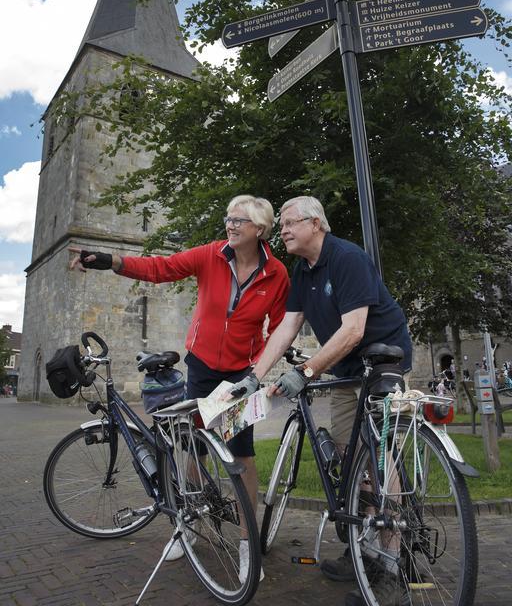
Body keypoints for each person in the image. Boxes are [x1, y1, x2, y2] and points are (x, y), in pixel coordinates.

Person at [69, 194, 289, 578]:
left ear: (260, 229)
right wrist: (110, 261)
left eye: (239, 220)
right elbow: (160, 268)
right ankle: (186, 527)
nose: (230, 225)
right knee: (193, 448)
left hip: (241, 375)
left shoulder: (277, 275)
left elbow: (281, 326)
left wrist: (260, 369)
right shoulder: (210, 256)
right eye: (228, 217)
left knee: (241, 454)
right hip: (202, 368)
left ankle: (246, 542)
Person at [229, 196, 412, 606]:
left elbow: (353, 329)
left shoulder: (347, 258)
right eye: (282, 225)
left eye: (291, 223)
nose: (284, 231)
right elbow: (287, 327)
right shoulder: (302, 270)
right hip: (348, 369)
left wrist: (306, 371)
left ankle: (392, 561)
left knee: (377, 460)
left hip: (383, 358)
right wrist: (253, 376)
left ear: (316, 224)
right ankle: (364, 547)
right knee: (352, 461)